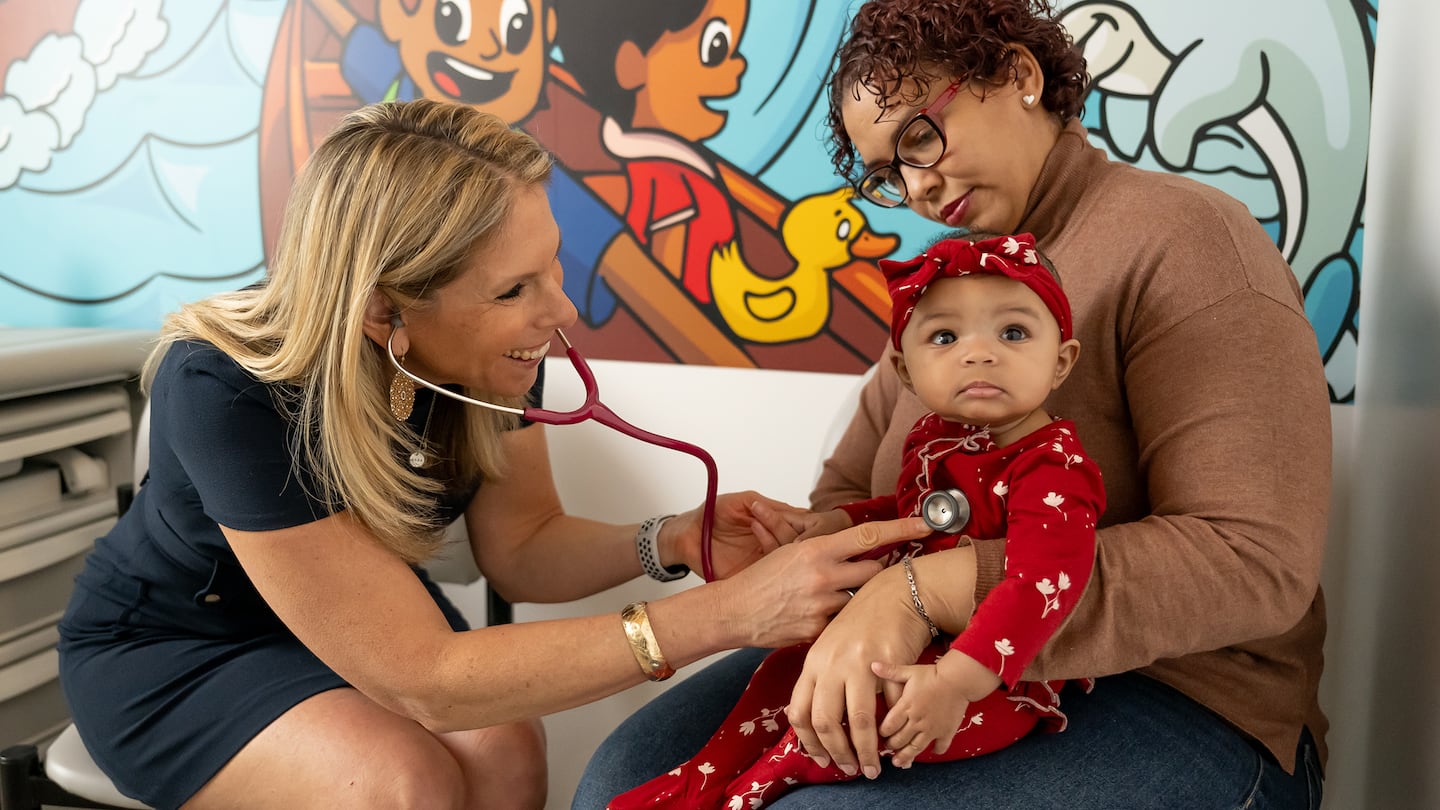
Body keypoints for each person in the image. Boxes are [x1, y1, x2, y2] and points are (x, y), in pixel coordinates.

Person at [55, 98, 930, 810]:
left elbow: (524, 548)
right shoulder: (225, 387)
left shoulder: (491, 360)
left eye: (551, 268)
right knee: (404, 785)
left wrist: (673, 536)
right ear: (384, 312)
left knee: (509, 747)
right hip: (180, 649)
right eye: (514, 289)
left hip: (366, 621)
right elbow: (426, 680)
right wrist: (734, 614)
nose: (560, 313)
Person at [574, 1, 1332, 807]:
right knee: (621, 777)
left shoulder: (1187, 239)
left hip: (1178, 697)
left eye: (919, 138)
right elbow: (851, 491)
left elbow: (1255, 562)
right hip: (940, 654)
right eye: (886, 172)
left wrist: (923, 591)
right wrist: (812, 540)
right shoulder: (954, 287)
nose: (916, 184)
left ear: (1018, 76)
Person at [607, 232, 1104, 809]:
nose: (979, 352)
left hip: (993, 673)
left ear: (1062, 360)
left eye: (1013, 333)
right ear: (906, 371)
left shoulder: (1053, 466)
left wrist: (956, 683)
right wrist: (836, 525)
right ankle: (704, 776)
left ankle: (744, 792)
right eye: (945, 336)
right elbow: (911, 519)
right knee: (785, 672)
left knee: (864, 714)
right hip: (917, 640)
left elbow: (1044, 584)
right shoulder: (935, 442)